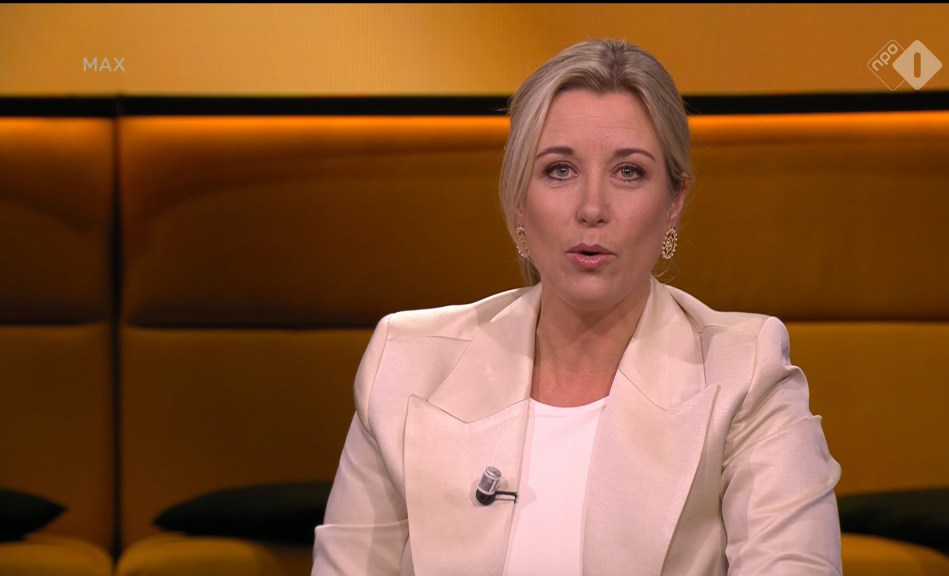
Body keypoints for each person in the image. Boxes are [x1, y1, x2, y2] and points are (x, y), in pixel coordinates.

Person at [312, 39, 842, 575]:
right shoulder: (406, 366)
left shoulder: (744, 373)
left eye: (628, 172)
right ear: (519, 201)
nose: (592, 208)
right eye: (559, 170)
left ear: (674, 203)